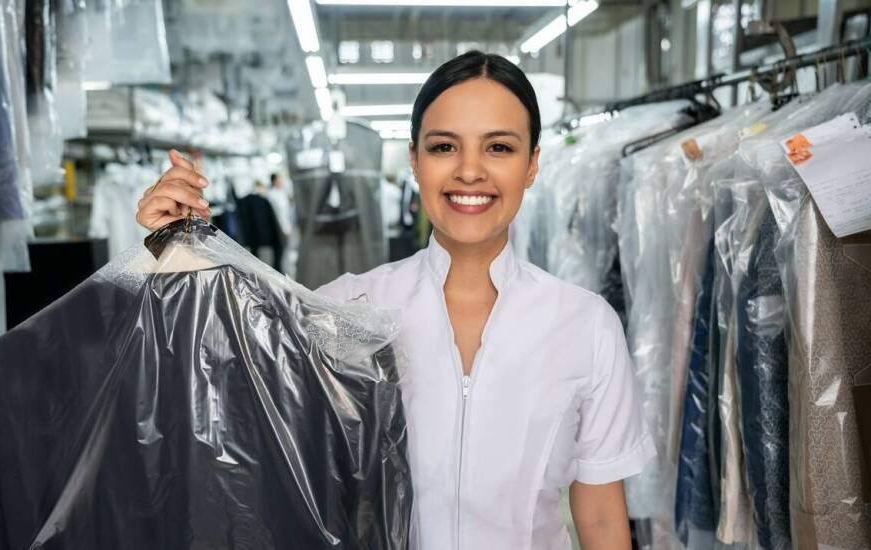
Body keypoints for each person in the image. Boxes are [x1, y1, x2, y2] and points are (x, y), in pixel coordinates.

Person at [136, 51, 653, 550]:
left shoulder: (586, 326)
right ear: (414, 160)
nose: (470, 171)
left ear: (533, 164)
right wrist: (175, 249)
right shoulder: (346, 307)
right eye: (444, 147)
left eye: (498, 147)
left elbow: (602, 515)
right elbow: (218, 391)